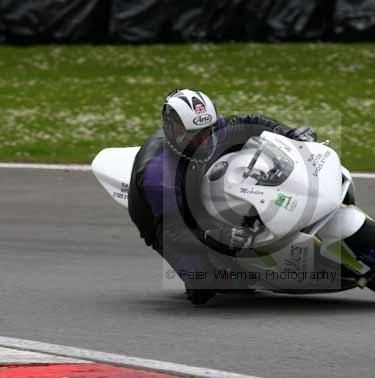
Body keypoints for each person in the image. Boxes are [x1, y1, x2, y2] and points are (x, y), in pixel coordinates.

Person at [128, 89, 316, 304]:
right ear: (171, 128)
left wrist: (291, 134)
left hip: (199, 186)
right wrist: (219, 236)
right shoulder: (158, 175)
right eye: (194, 134)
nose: (204, 140)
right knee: (205, 286)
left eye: (207, 131)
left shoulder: (212, 131)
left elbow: (250, 123)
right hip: (165, 222)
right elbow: (173, 233)